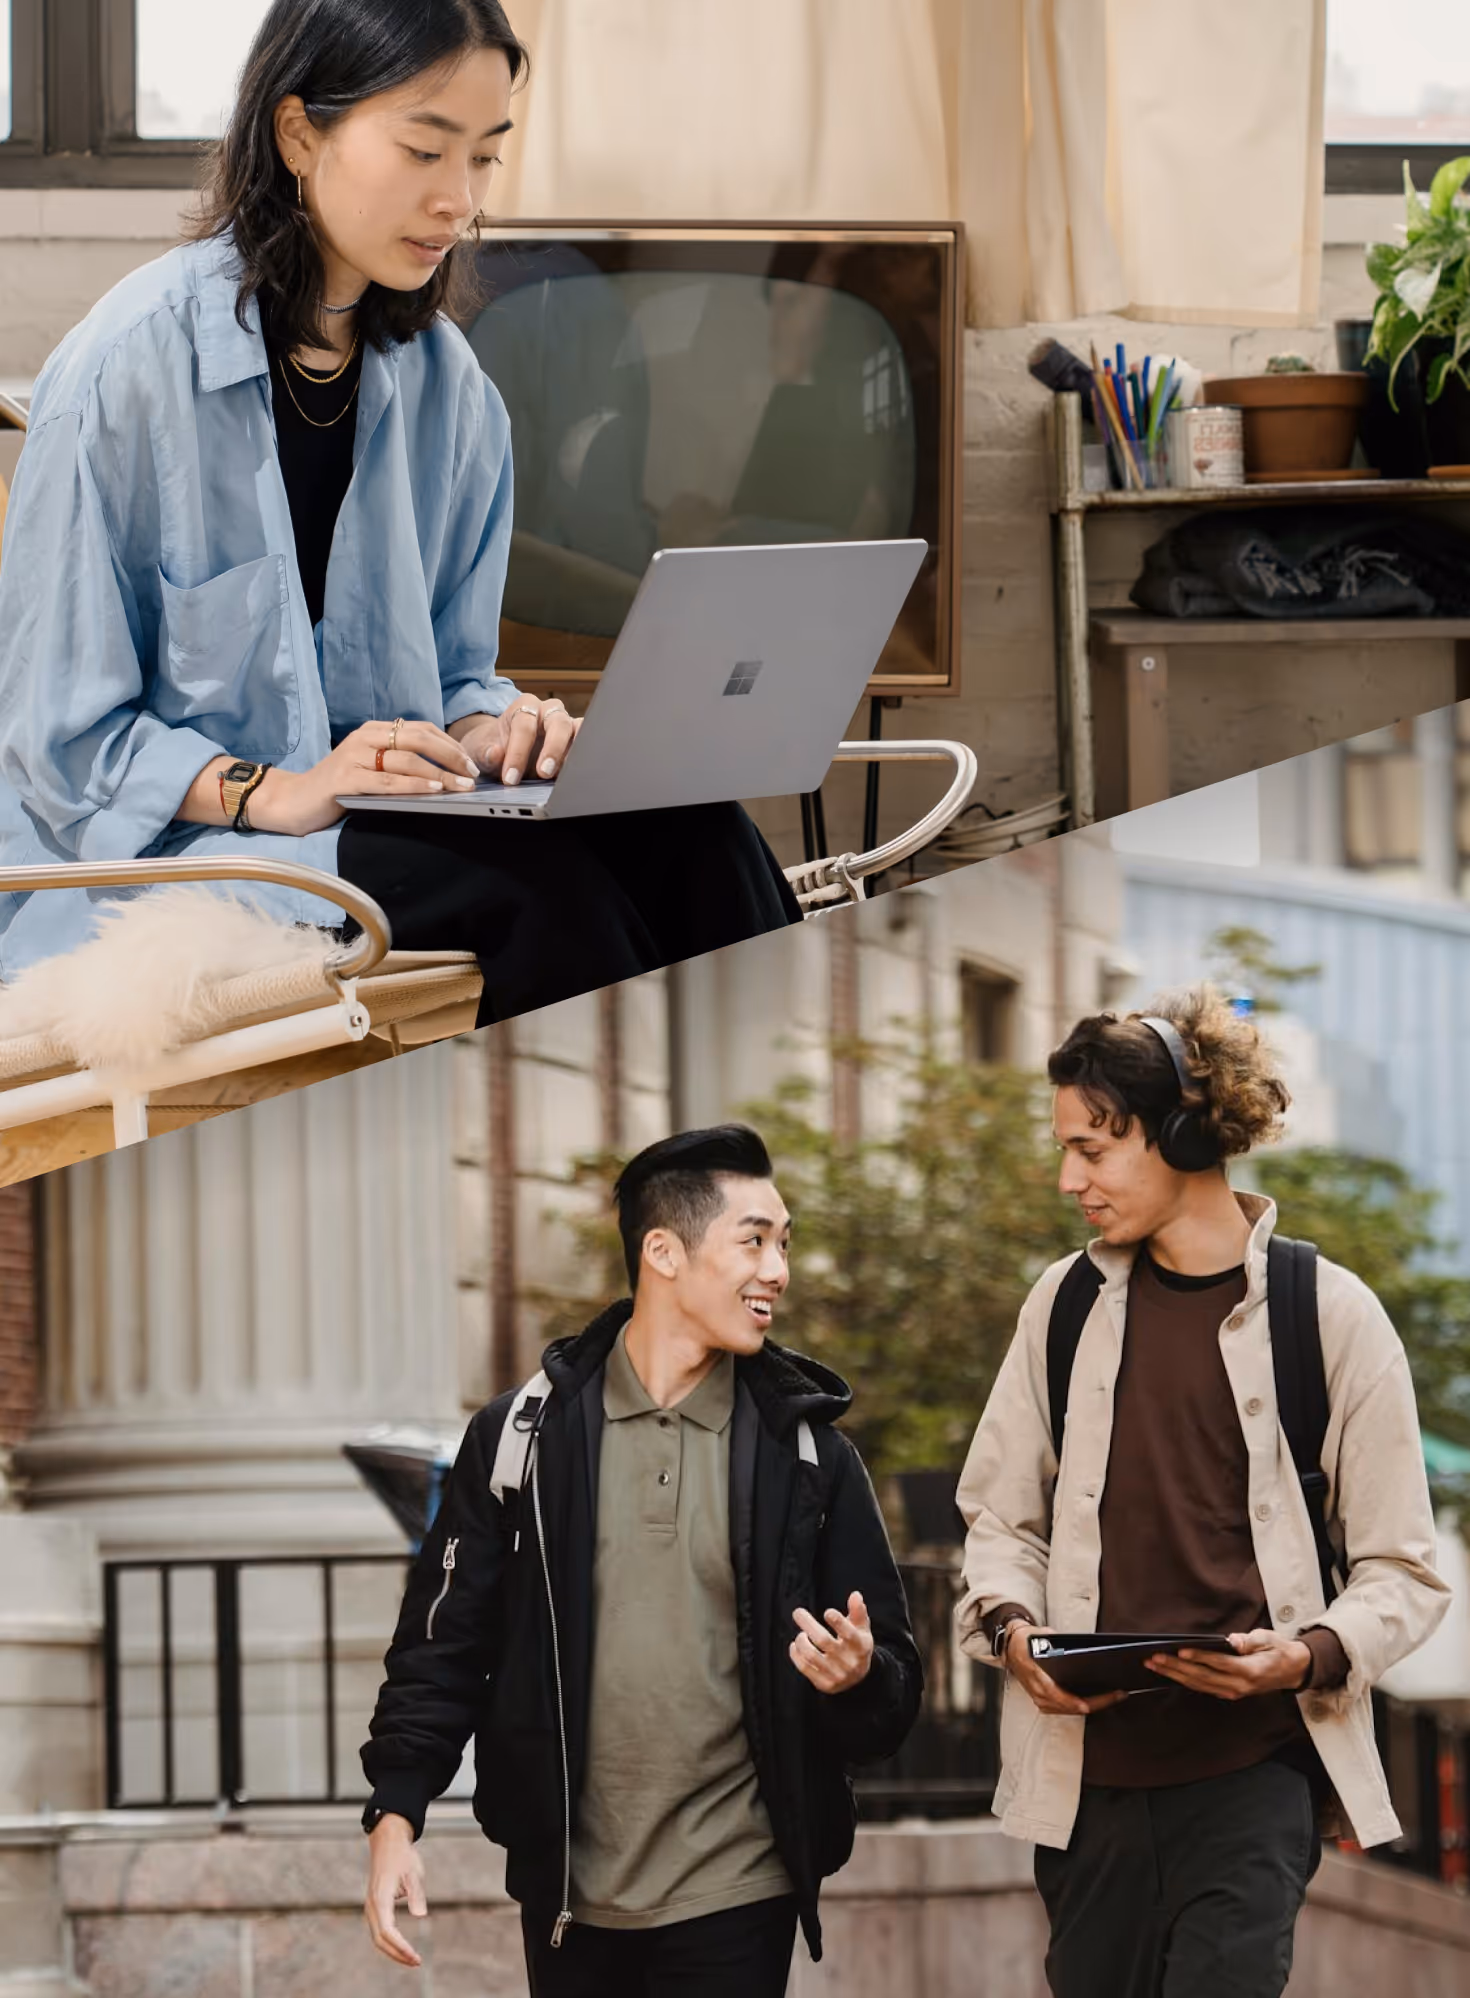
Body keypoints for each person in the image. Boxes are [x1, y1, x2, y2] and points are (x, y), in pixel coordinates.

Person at [0, 0, 799, 1017]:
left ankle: (780, 1100)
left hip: (385, 817)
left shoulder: (448, 386)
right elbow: (62, 744)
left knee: (699, 831)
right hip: (171, 848)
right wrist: (279, 790)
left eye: (484, 158)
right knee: (543, 895)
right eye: (425, 150)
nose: (458, 199)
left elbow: (456, 674)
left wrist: (500, 731)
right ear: (299, 134)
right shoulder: (122, 375)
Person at [955, 990, 1450, 1998]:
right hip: (1086, 1789)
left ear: (1183, 1134)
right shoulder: (1062, 1306)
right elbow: (1001, 1520)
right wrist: (1013, 1634)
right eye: (1065, 1150)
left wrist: (1306, 1654)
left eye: (1094, 1149)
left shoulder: (1332, 1315)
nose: (1069, 1179)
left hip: (1250, 1783)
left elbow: (1402, 1567)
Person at [360, 1123, 922, 1994]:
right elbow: (443, 1645)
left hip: (740, 1886)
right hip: (569, 1894)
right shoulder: (522, 1441)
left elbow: (893, 1688)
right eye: (755, 1242)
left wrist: (858, 1677)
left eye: (784, 1244)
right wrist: (396, 1814)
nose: (778, 1270)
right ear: (663, 1252)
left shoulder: (807, 1454)